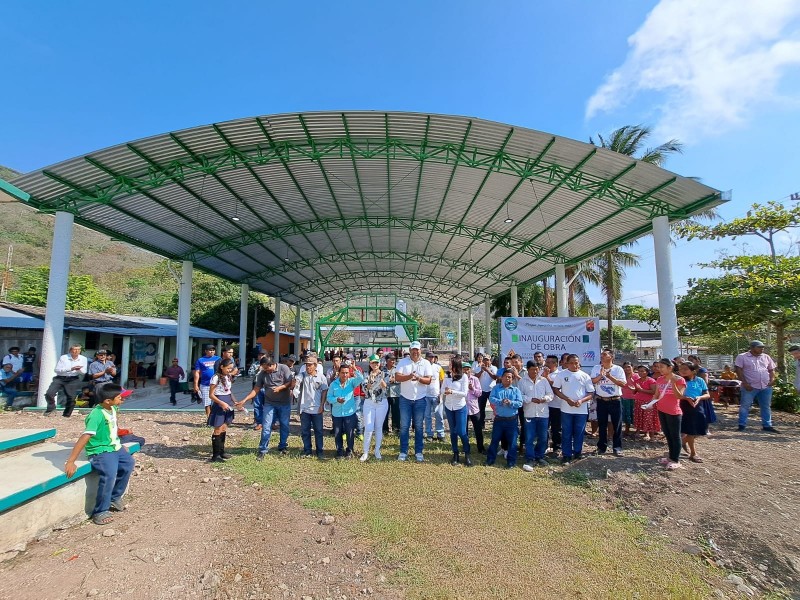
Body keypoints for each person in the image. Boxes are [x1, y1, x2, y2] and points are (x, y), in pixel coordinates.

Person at [63, 383, 135, 525]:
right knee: (109, 474)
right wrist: (71, 461)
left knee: (129, 464)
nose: (122, 400)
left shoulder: (113, 408)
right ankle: (100, 511)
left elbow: (111, 429)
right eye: (120, 398)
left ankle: (115, 497)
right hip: (100, 451)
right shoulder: (96, 415)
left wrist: (119, 443)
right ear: (108, 401)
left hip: (114, 447)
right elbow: (85, 437)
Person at [241, 357, 295, 460]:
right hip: (269, 403)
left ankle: (282, 446)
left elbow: (290, 382)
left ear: (272, 364)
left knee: (284, 425)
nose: (266, 371)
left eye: (267, 369)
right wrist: (245, 399)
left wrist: (281, 387)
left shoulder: (284, 368)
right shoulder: (262, 374)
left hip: (284, 403)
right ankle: (263, 449)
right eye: (264, 369)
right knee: (266, 426)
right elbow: (256, 389)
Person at [642, 358, 686, 471]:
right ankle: (670, 457)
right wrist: (650, 404)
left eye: (662, 367)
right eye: (659, 366)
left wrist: (673, 382)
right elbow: (656, 395)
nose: (659, 369)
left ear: (670, 368)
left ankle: (676, 460)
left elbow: (679, 396)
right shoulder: (660, 379)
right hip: (662, 410)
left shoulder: (680, 380)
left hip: (674, 412)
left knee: (675, 436)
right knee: (667, 434)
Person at [394, 341, 433, 462]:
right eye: (413, 350)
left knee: (419, 427)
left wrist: (419, 378)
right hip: (405, 399)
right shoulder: (403, 362)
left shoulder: (426, 363)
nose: (415, 352)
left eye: (417, 350)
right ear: (410, 351)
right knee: (404, 426)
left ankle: (419, 451)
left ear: (420, 350)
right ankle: (403, 451)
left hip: (420, 399)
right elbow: (397, 377)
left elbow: (429, 380)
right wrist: (410, 376)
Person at [551, 354, 594, 464]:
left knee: (579, 432)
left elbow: (591, 393)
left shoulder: (585, 376)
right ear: (567, 363)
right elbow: (556, 389)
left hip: (581, 410)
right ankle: (566, 455)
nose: (575, 365)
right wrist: (567, 399)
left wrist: (581, 401)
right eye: (572, 363)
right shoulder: (561, 375)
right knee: (566, 432)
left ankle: (577, 453)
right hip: (566, 409)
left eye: (576, 363)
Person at [734, 340, 778, 432]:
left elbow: (771, 369)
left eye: (763, 347)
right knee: (745, 406)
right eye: (760, 347)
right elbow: (739, 370)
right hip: (750, 386)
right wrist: (745, 383)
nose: (762, 349)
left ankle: (767, 425)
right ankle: (742, 425)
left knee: (766, 406)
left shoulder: (766, 357)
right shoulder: (742, 357)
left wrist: (772, 380)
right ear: (752, 348)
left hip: (765, 386)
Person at [590, 350, 627, 457]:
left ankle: (617, 448)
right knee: (602, 425)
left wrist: (610, 377)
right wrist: (601, 376)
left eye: (605, 354)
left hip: (615, 400)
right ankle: (601, 447)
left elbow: (623, 384)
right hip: (601, 400)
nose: (602, 356)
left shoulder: (618, 369)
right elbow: (592, 381)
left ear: (611, 357)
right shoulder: (596, 368)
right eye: (601, 354)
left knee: (617, 425)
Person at [485, 370, 523, 468]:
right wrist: (500, 402)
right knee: (495, 440)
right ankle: (490, 459)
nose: (507, 378)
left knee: (512, 442)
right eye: (505, 376)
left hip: (512, 420)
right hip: (499, 420)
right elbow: (492, 399)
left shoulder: (516, 390)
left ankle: (511, 462)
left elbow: (520, 403)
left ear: (513, 379)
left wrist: (511, 402)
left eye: (510, 377)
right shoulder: (496, 388)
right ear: (501, 378)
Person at [519, 360, 552, 470]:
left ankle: (540, 456)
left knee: (543, 437)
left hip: (543, 413)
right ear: (527, 369)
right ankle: (530, 458)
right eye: (532, 370)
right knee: (529, 437)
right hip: (529, 413)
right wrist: (530, 399)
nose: (535, 372)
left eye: (536, 370)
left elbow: (550, 394)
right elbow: (520, 396)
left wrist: (544, 399)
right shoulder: (523, 381)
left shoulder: (543, 381)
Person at [294, 355, 328, 458]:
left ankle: (320, 451)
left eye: (310, 365)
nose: (308, 367)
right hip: (304, 409)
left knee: (318, 431)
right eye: (306, 365)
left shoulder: (321, 377)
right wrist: (295, 387)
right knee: (305, 431)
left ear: (315, 366)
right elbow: (297, 380)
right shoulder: (303, 375)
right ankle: (307, 450)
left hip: (317, 409)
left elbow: (324, 391)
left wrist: (322, 405)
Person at [328, 363, 365, 459]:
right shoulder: (333, 384)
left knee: (350, 433)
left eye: (346, 373)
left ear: (349, 373)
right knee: (337, 433)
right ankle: (339, 451)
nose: (345, 375)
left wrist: (354, 368)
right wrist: (336, 400)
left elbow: (361, 378)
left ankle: (349, 451)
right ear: (339, 373)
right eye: (343, 373)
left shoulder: (352, 382)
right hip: (337, 413)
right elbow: (329, 398)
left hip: (349, 412)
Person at [442, 358, 471, 466]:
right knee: (453, 432)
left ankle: (467, 453)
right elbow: (441, 390)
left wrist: (452, 391)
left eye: (450, 364)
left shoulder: (464, 377)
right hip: (449, 407)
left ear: (456, 366)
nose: (449, 366)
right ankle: (455, 454)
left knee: (462, 432)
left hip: (460, 407)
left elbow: (464, 393)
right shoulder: (447, 377)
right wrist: (445, 391)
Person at [678, 363, 709, 463]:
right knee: (691, 430)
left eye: (685, 369)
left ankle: (684, 441)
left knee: (700, 429)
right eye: (681, 369)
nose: (682, 371)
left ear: (693, 371)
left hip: (698, 406)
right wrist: (686, 398)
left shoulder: (699, 380)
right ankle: (693, 453)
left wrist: (700, 397)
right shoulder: (680, 381)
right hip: (684, 406)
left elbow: (707, 394)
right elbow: (676, 395)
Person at [207, 359, 237, 462]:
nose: (230, 370)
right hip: (220, 404)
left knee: (224, 428)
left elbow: (229, 391)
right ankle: (215, 455)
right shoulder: (215, 378)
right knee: (218, 429)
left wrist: (235, 401)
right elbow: (211, 395)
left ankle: (221, 451)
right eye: (228, 368)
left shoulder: (228, 377)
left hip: (228, 403)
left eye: (231, 368)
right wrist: (221, 403)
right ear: (221, 367)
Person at [44, 344, 88, 415]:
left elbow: (83, 372)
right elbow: (57, 370)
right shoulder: (64, 357)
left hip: (73, 378)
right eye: (74, 349)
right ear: (70, 350)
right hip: (60, 377)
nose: (76, 351)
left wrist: (79, 369)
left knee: (71, 397)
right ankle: (51, 409)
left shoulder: (83, 358)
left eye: (78, 350)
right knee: (49, 393)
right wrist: (71, 369)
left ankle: (67, 414)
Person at [361, 355, 388, 461]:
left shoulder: (385, 374)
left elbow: (387, 388)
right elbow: (364, 389)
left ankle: (377, 450)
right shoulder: (366, 374)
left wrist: (383, 384)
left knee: (378, 427)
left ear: (379, 364)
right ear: (370, 364)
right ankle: (365, 452)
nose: (375, 365)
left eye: (377, 363)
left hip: (381, 402)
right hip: (369, 402)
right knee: (368, 428)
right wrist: (369, 383)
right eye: (373, 363)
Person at [687, 354, 716, 429]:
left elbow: (705, 383)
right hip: (693, 394)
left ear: (697, 361)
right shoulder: (688, 371)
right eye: (689, 360)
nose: (690, 362)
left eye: (691, 360)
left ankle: (706, 428)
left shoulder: (702, 370)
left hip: (701, 394)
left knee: (704, 411)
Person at [632, 365, 659, 441]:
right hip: (639, 401)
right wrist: (634, 389)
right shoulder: (637, 381)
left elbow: (653, 391)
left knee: (649, 418)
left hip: (649, 402)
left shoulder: (651, 380)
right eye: (639, 371)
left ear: (647, 372)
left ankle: (651, 435)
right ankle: (638, 431)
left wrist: (641, 390)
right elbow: (635, 391)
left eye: (642, 371)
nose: (640, 373)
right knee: (639, 417)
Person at [194, 345, 220, 418]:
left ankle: (217, 417)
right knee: (207, 402)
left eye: (213, 350)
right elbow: (197, 372)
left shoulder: (218, 359)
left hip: (216, 384)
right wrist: (196, 384)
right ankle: (209, 418)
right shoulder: (200, 360)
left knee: (218, 401)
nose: (211, 351)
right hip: (205, 384)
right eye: (210, 350)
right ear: (205, 351)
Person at [543, 354, 562, 457]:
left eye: (550, 362)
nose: (547, 364)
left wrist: (547, 377)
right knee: (544, 427)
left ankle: (557, 447)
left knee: (556, 428)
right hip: (544, 405)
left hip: (556, 406)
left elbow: (556, 387)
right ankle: (544, 446)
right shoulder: (542, 373)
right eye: (547, 362)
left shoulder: (560, 374)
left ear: (555, 363)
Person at [464, 362, 484, 454]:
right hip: (463, 409)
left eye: (467, 369)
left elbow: (479, 393)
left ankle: (481, 448)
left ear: (470, 370)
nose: (466, 371)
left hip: (474, 408)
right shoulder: (459, 380)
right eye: (464, 369)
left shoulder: (475, 379)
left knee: (478, 429)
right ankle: (465, 448)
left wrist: (472, 389)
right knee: (464, 430)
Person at [424, 351, 445, 441]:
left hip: (436, 395)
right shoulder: (422, 367)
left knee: (439, 415)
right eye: (430, 357)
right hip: (425, 395)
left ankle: (440, 433)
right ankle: (429, 433)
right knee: (427, 416)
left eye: (433, 357)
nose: (431, 359)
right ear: (426, 358)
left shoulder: (438, 368)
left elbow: (442, 381)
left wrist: (441, 393)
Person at [476, 354, 497, 433]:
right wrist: (481, 371)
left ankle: (496, 422)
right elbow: (476, 377)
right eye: (484, 359)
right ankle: (481, 424)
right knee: (481, 408)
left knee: (494, 407)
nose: (486, 361)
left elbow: (494, 377)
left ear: (490, 360)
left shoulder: (494, 368)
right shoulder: (479, 367)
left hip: (491, 390)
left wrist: (487, 370)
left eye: (487, 359)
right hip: (482, 390)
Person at [382, 353, 401, 435]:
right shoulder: (382, 370)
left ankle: (396, 429)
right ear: (386, 361)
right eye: (391, 360)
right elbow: (379, 380)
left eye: (394, 360)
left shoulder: (398, 369)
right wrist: (386, 381)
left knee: (396, 412)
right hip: (385, 394)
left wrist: (395, 380)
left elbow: (402, 379)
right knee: (384, 412)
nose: (393, 361)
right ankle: (385, 429)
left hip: (395, 393)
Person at [620, 362, 636, 437]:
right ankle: (627, 430)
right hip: (624, 397)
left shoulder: (637, 376)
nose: (627, 369)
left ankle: (638, 430)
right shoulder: (622, 376)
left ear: (633, 367)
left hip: (634, 398)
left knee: (635, 414)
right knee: (626, 414)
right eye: (625, 367)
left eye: (628, 367)